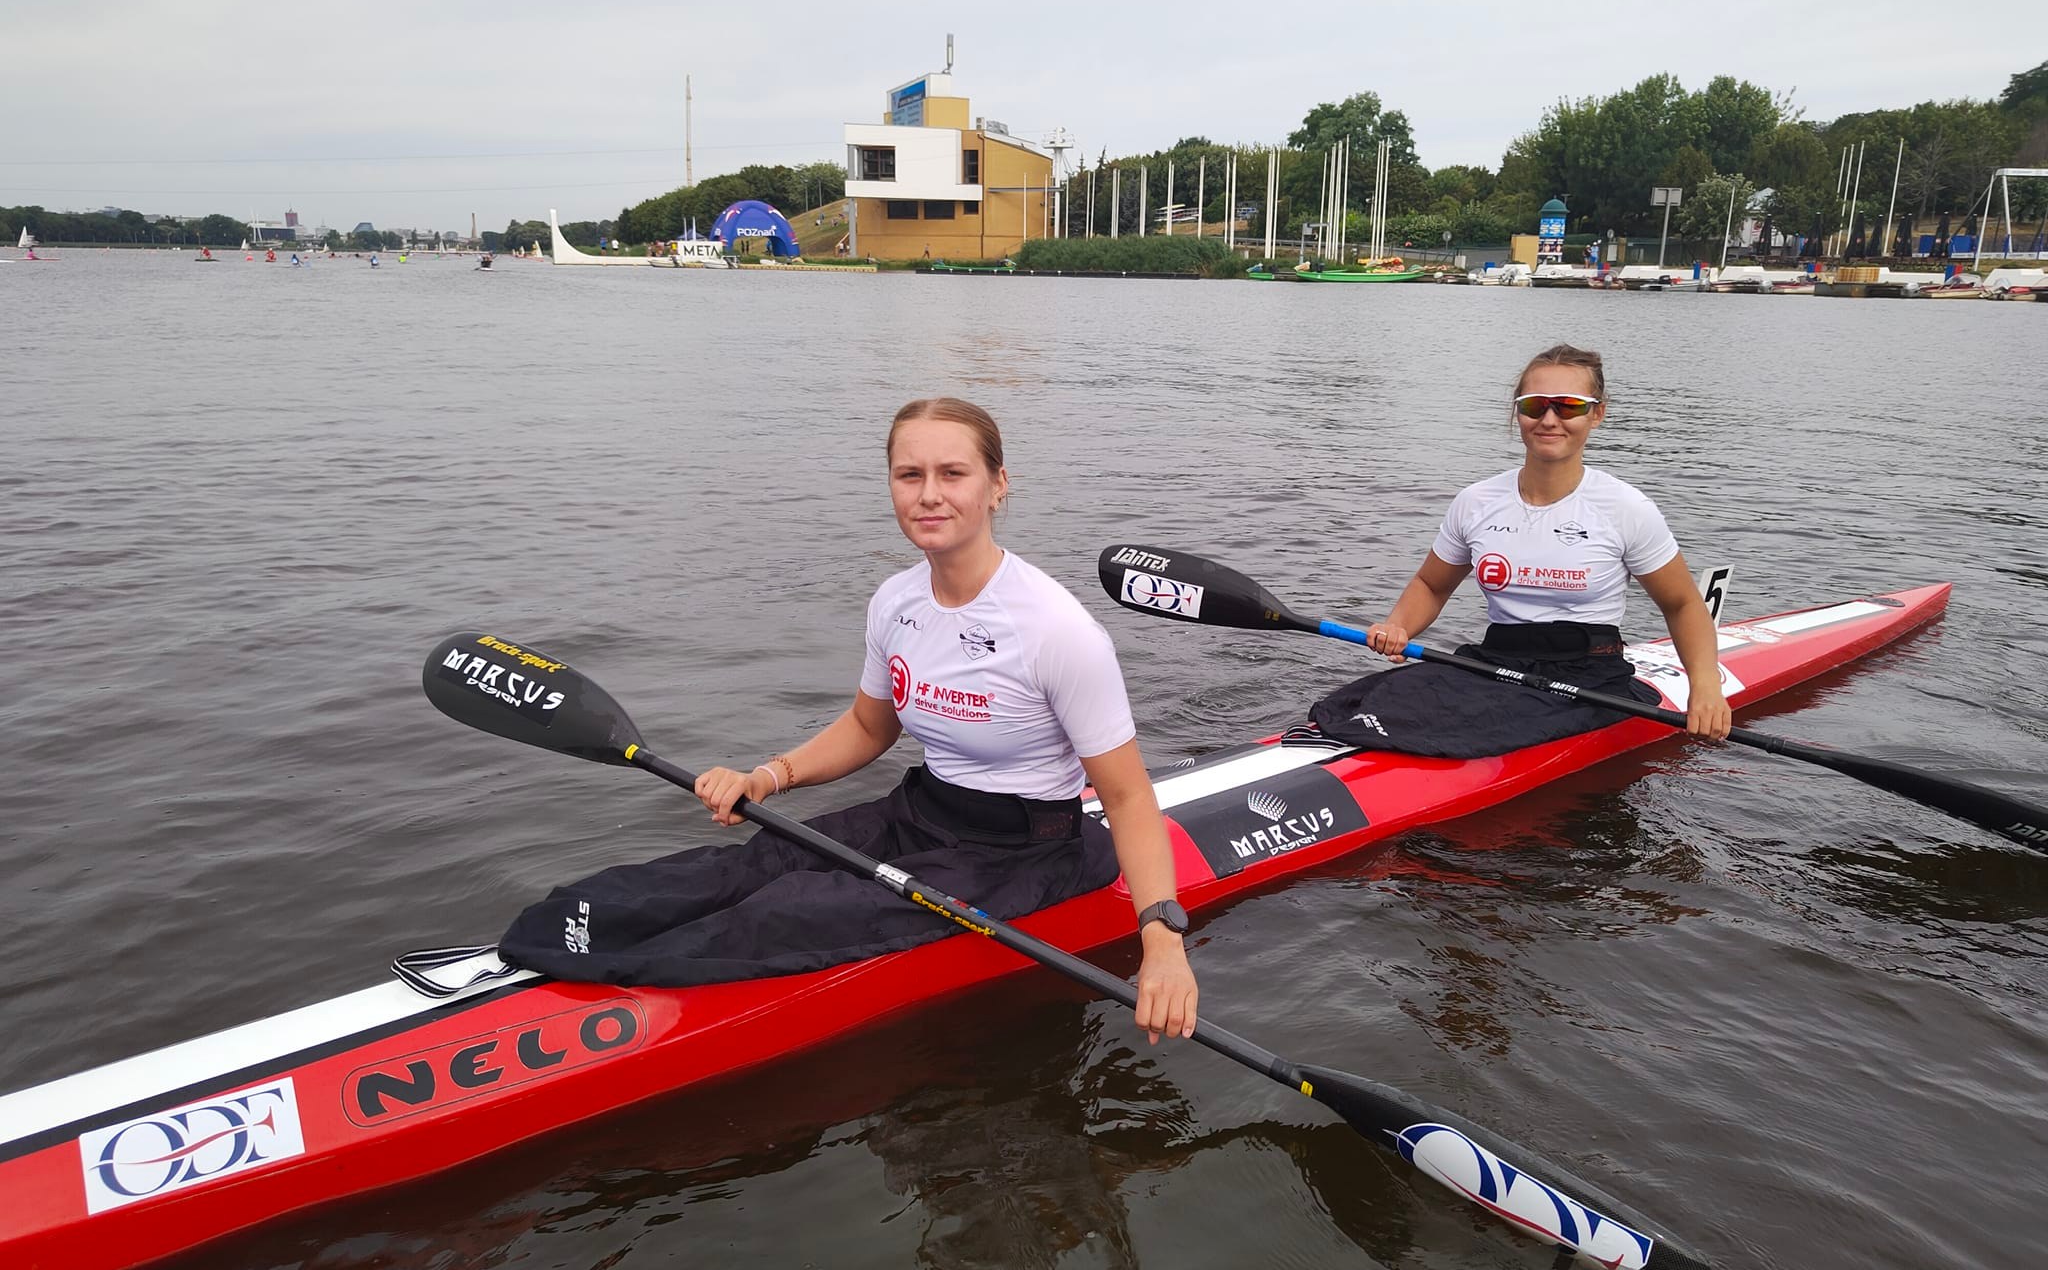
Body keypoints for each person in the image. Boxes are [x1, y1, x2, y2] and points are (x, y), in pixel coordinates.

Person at [498, 397, 1200, 1043]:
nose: (929, 494)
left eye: (952, 473)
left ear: (997, 485)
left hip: (1026, 848)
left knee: (787, 910)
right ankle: (561, 933)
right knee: (749, 866)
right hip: (922, 811)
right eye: (909, 474)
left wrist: (1162, 941)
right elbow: (870, 727)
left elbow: (1128, 796)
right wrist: (769, 778)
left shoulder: (1054, 630)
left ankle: (603, 1001)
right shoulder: (897, 601)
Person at [1309, 344, 1732, 757]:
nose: (1550, 420)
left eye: (1568, 406)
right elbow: (1432, 585)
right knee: (1361, 700)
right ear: (1519, 412)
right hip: (1497, 659)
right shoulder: (1476, 502)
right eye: (1535, 406)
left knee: (1445, 719)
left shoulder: (1625, 509)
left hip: (1587, 674)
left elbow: (1681, 604)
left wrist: (1705, 687)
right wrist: (1398, 626)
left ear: (1596, 414)